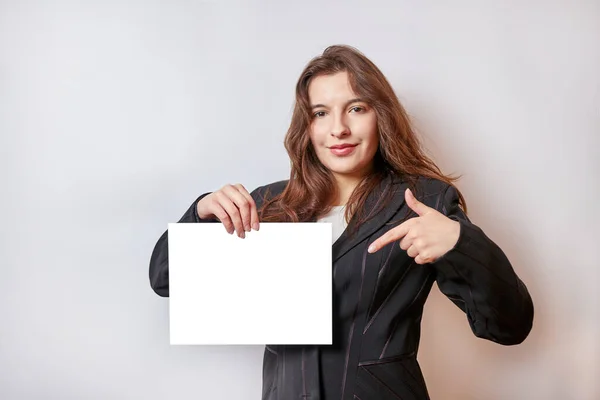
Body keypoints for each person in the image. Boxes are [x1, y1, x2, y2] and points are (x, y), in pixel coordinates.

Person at [149, 44, 534, 400]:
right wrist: (201, 213)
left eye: (356, 108)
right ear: (308, 126)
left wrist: (460, 241)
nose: (338, 129)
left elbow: (509, 326)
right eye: (321, 113)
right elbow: (166, 280)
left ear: (380, 115)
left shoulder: (424, 201)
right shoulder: (269, 205)